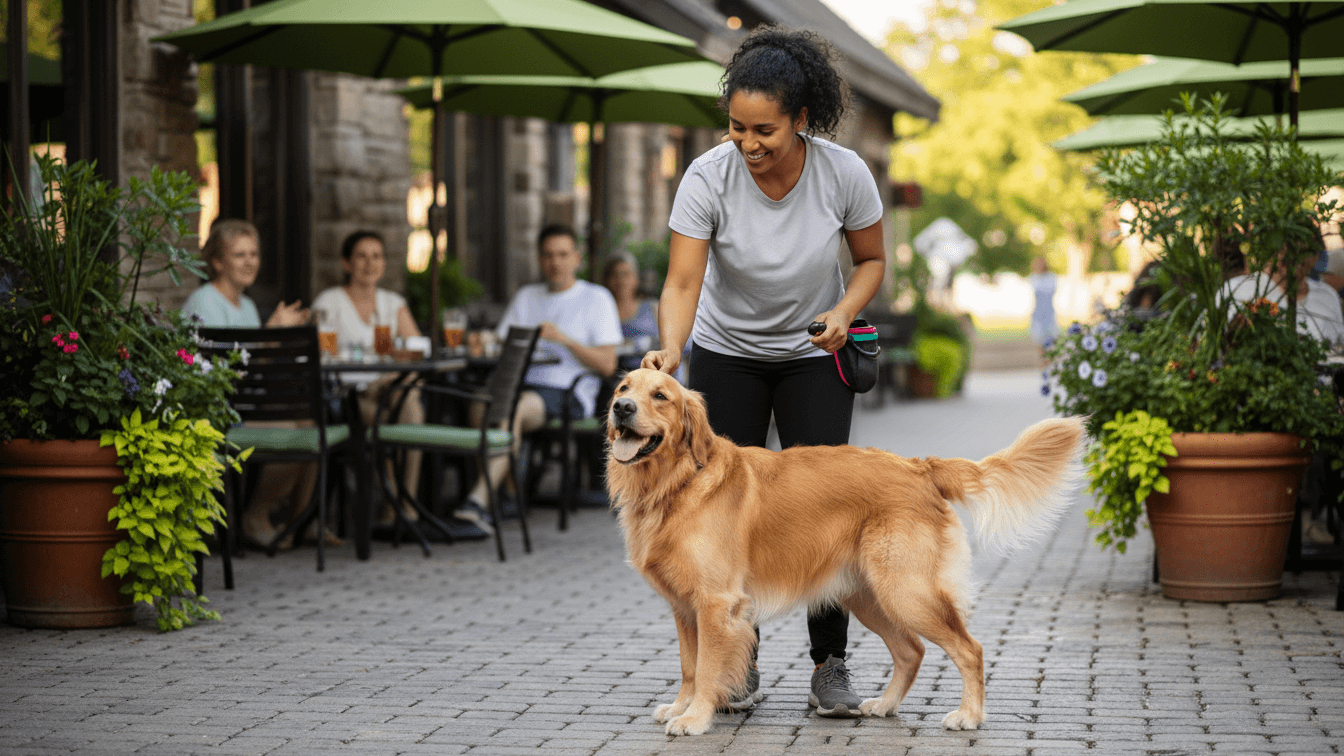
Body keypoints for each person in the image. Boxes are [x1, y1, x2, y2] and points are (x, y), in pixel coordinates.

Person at [640, 25, 886, 718]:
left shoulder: (844, 173)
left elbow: (871, 260)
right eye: (737, 127)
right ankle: (735, 663)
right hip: (727, 353)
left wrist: (843, 312)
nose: (748, 144)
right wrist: (671, 348)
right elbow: (682, 282)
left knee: (822, 512)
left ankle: (830, 663)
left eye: (764, 131)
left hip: (814, 355)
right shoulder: (707, 176)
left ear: (801, 118)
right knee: (718, 514)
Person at [457, 224, 622, 533]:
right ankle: (509, 493)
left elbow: (607, 365)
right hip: (521, 383)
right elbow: (502, 343)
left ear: (577, 258)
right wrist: (482, 341)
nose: (555, 262)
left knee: (512, 409)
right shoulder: (527, 296)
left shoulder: (596, 298)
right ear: (539, 258)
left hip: (568, 391)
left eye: (562, 254)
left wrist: (564, 339)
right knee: (480, 406)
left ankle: (478, 501)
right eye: (548, 255)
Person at [183, 219, 313, 549]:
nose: (250, 262)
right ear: (217, 262)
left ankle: (300, 523)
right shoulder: (204, 302)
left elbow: (253, 368)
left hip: (244, 406)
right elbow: (217, 372)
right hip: (215, 412)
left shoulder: (249, 306)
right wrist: (270, 335)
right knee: (291, 432)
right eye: (239, 255)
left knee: (310, 425)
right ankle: (255, 517)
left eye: (253, 254)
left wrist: (279, 339)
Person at [311, 231, 427, 528]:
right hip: (346, 395)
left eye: (376, 256)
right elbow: (322, 357)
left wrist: (396, 360)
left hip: (387, 389)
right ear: (346, 263)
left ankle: (404, 506)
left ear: (384, 263)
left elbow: (417, 350)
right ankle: (397, 507)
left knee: (410, 405)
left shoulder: (391, 303)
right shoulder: (329, 302)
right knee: (398, 419)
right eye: (361, 256)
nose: (369, 263)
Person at [1221, 235, 1344, 347]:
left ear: (1316, 257)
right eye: (1283, 251)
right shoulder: (1235, 290)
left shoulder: (1328, 295)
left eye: (1303, 252)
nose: (1292, 260)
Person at [602, 251, 660, 373]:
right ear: (607, 280)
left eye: (626, 274)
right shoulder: (601, 312)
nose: (621, 281)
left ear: (636, 279)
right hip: (617, 377)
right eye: (615, 275)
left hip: (654, 374)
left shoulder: (653, 307)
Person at [1028, 255, 1058, 357]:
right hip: (1038, 313)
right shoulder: (1034, 278)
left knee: (1052, 338)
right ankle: (1043, 360)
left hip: (1049, 312)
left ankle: (1051, 359)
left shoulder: (1051, 277)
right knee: (1039, 340)